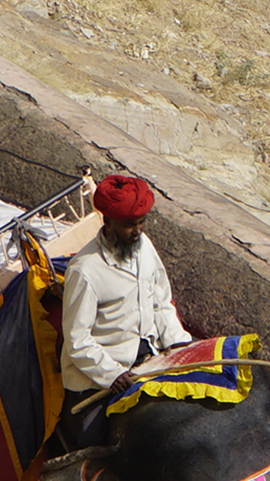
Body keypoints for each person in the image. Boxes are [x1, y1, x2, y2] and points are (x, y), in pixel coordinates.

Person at [56, 172, 195, 447]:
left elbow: (161, 302)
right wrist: (112, 375)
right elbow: (77, 340)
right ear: (108, 222)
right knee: (93, 446)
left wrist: (178, 343)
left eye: (142, 222)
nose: (138, 231)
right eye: (130, 225)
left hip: (150, 355)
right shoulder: (84, 270)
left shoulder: (144, 247)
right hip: (100, 374)